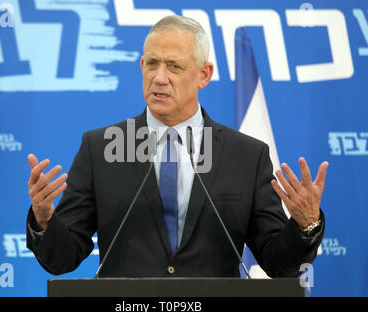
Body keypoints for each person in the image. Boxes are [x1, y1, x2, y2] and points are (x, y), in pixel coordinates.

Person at [26, 15, 327, 278]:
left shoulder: (246, 156)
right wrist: (43, 220)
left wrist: (305, 226)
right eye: (152, 64)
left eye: (174, 66)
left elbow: (279, 265)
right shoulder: (100, 148)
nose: (159, 78)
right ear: (141, 65)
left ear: (204, 75)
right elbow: (62, 260)